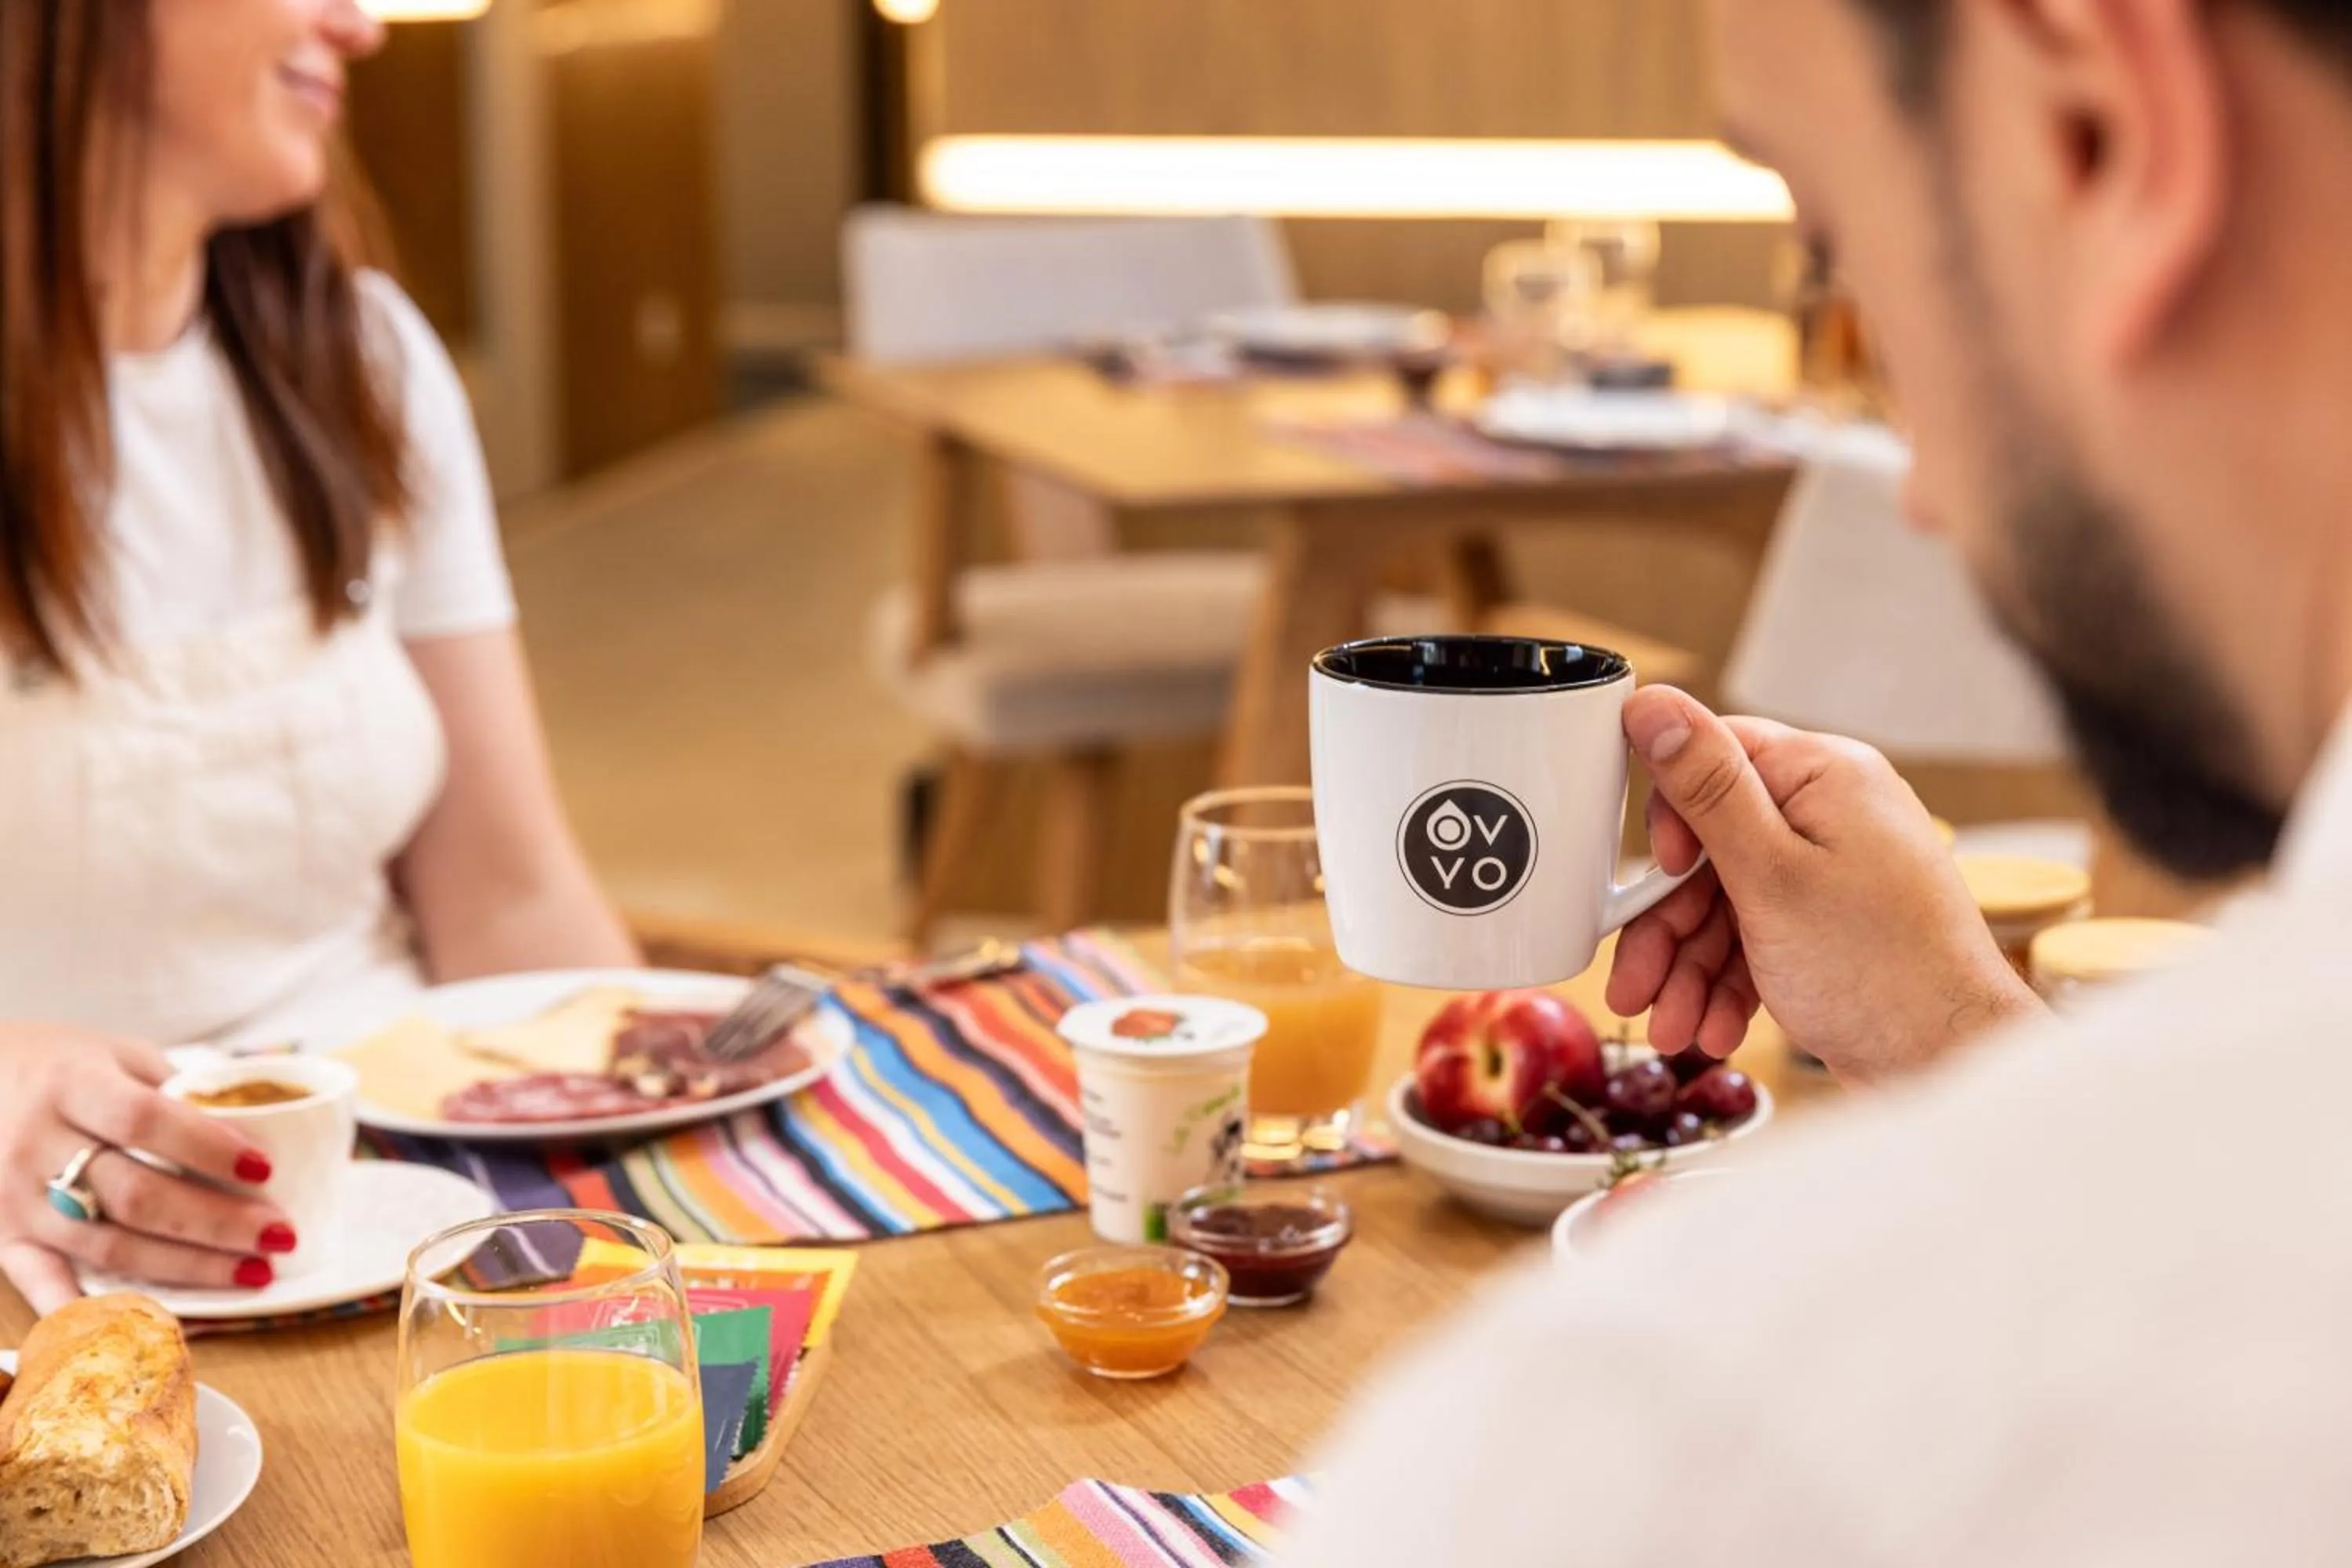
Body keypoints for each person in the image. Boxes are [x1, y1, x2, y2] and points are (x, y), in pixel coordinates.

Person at [1285, 0, 2352, 1561]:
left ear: (2104, 132)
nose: (1916, 493)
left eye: (1843, 252)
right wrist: (1955, 1036)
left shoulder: (1698, 1433)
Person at [0, 0, 634, 1313]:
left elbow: (508, 904)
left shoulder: (364, 357)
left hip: (402, 1218)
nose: (358, 26)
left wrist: (666, 1117)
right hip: (52, 1280)